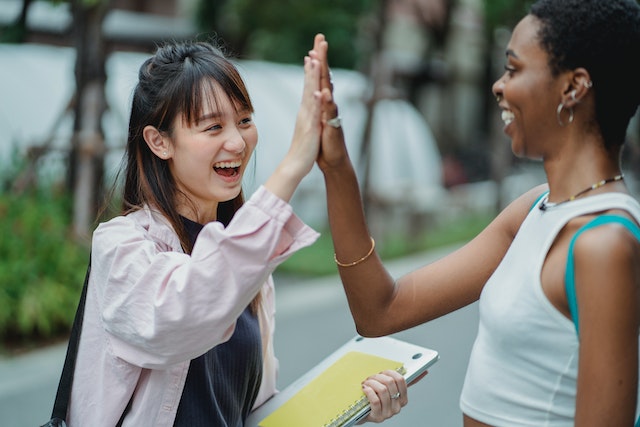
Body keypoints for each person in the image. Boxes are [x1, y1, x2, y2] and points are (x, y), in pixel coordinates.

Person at [311, 0, 640, 425]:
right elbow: (380, 310)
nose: (498, 86)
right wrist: (336, 167)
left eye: (515, 69)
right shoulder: (535, 210)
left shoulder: (604, 244)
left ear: (573, 87)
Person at [66, 38, 407, 426]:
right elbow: (184, 315)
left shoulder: (249, 266)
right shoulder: (122, 246)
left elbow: (248, 415)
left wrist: (352, 405)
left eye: (244, 120)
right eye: (213, 127)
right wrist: (295, 161)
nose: (237, 142)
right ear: (159, 142)